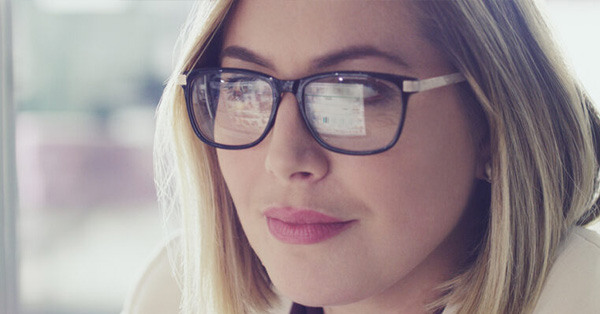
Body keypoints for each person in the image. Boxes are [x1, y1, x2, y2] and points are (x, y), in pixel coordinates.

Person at [126, 0, 600, 313]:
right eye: (245, 89)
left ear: (492, 125)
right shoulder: (173, 295)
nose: (285, 159)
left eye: (351, 93)